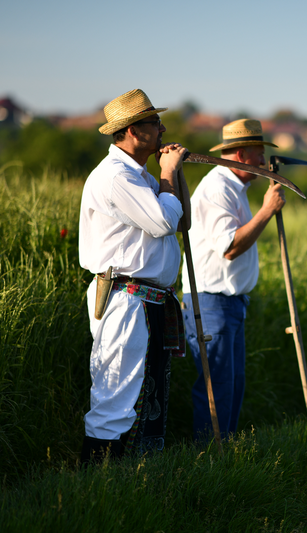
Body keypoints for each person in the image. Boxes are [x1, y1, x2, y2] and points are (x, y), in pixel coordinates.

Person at [78, 88, 189, 463]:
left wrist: (171, 177)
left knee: (143, 394)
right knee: (115, 397)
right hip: (125, 299)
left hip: (145, 298)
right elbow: (162, 222)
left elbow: (181, 219)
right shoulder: (115, 176)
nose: (162, 128)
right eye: (154, 122)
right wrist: (169, 172)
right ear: (131, 130)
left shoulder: (136, 175)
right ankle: (97, 483)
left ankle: (130, 478)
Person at [181, 118, 285, 440]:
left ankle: (222, 458)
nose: (263, 162)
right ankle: (210, 459)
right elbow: (229, 247)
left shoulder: (235, 188)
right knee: (218, 388)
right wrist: (266, 211)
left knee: (232, 384)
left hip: (230, 304)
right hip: (212, 303)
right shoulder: (218, 188)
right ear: (240, 155)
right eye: (257, 154)